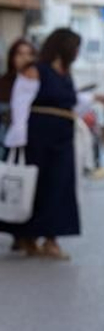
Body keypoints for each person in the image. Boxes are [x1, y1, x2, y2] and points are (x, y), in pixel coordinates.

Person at [11, 30, 103, 261]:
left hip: (62, 136)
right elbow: (20, 103)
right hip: (39, 135)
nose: (77, 53)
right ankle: (29, 236)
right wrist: (19, 135)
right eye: (75, 47)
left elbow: (70, 101)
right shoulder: (36, 70)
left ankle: (52, 239)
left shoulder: (65, 73)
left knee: (60, 186)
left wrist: (94, 100)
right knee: (36, 186)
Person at [0, 38, 39, 253]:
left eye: (29, 54)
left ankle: (25, 234)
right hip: (5, 142)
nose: (25, 58)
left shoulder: (37, 83)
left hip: (28, 144)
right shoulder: (4, 83)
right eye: (19, 53)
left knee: (24, 188)